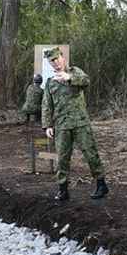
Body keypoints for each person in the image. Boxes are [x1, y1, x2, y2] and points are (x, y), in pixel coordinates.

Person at [40, 46, 108, 202]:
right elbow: (46, 105)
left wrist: (68, 78)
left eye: (57, 59)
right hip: (62, 125)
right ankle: (63, 189)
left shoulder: (75, 72)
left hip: (80, 123)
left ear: (63, 58)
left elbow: (86, 81)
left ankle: (101, 184)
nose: (55, 63)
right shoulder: (50, 82)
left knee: (90, 153)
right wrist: (48, 125)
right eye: (52, 61)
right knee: (62, 158)